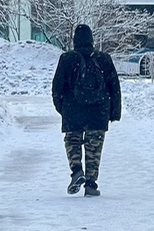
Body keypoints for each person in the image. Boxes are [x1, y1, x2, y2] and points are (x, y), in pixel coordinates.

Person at [52, 24, 122, 197]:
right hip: (98, 111)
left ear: (75, 40)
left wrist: (62, 108)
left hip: (72, 108)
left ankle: (76, 171)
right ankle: (91, 183)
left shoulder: (67, 59)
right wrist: (114, 112)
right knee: (94, 147)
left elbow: (57, 87)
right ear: (92, 40)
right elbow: (114, 87)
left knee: (73, 141)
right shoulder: (103, 59)